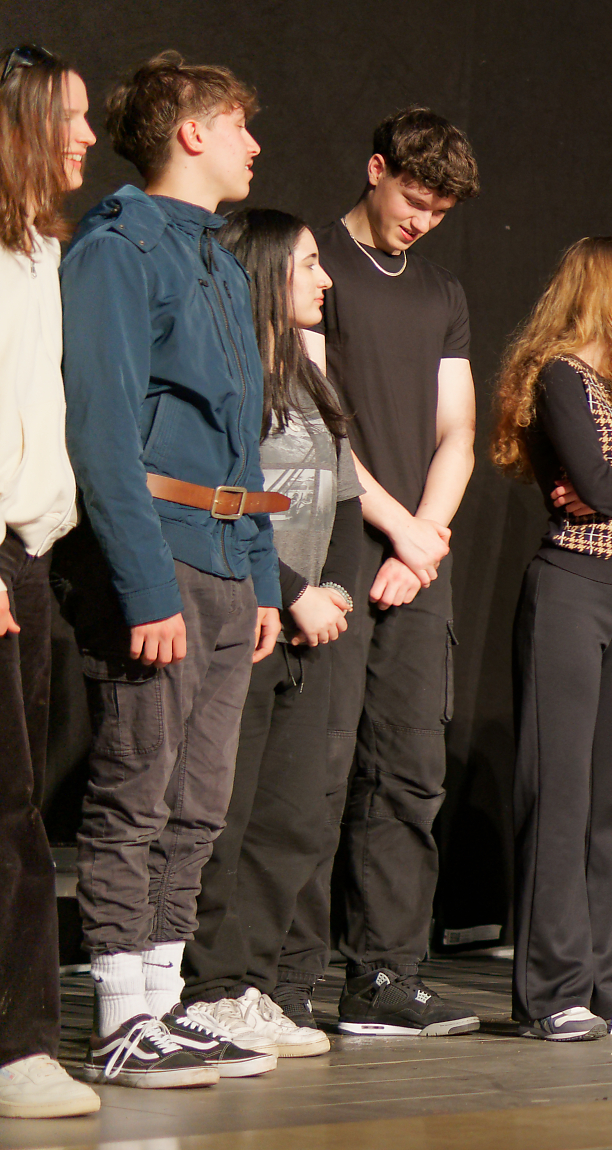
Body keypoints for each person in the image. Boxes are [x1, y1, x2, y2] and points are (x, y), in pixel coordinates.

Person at [59, 50, 280, 1087]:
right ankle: (117, 1017)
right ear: (192, 132)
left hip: (227, 563)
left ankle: (161, 1000)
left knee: (199, 804)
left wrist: (262, 577)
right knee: (136, 792)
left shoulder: (220, 263)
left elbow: (243, 442)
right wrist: (147, 588)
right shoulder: (118, 250)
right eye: (239, 124)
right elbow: (103, 433)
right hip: (160, 557)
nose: (254, 144)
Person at [314, 107, 481, 1037]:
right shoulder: (317, 265)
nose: (422, 221)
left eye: (439, 211)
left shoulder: (441, 292)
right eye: (413, 199)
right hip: (337, 542)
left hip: (418, 558)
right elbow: (316, 419)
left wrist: (425, 538)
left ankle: (384, 976)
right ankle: (280, 977)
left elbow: (457, 431)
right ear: (376, 169)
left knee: (410, 769)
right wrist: (395, 527)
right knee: (318, 769)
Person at [178, 209, 360, 1060]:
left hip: (307, 632)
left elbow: (345, 501)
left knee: (290, 822)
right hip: (245, 619)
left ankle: (251, 986)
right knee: (227, 816)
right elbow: (224, 505)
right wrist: (291, 594)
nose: (326, 279)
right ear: (262, 271)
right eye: (310, 264)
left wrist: (332, 592)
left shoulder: (309, 377)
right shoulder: (225, 372)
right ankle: (209, 990)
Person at [493, 237, 612, 1039]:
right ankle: (552, 989)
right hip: (571, 591)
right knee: (560, 794)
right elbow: (607, 483)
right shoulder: (561, 377)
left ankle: (605, 982)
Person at [0, 42, 99, 1119]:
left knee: (19, 805)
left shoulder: (39, 250)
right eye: (68, 116)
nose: (87, 134)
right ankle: (17, 1046)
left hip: (27, 557)